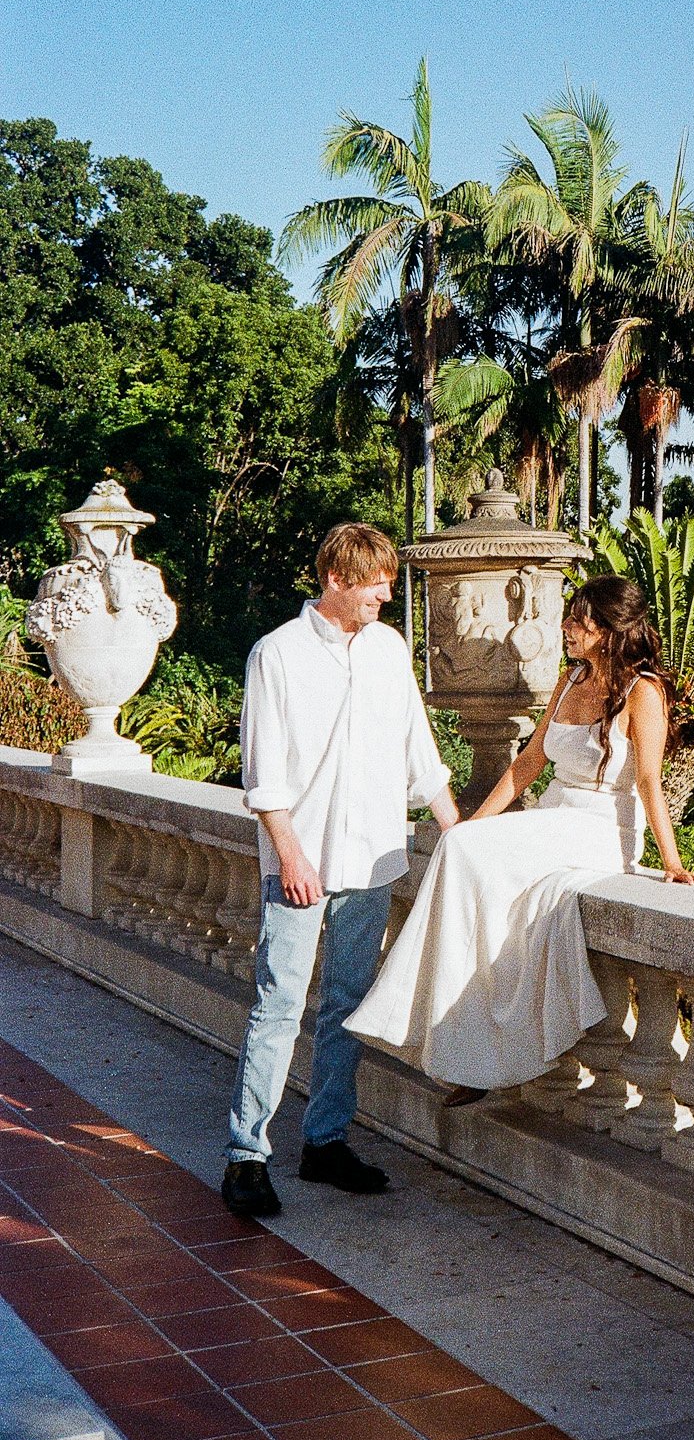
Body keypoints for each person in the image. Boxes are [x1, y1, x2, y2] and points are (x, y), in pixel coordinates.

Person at [345, 575, 694, 1094]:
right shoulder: (569, 679)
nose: (567, 628)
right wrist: (473, 824)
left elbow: (649, 780)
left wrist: (672, 863)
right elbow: (528, 763)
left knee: (465, 849)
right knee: (461, 846)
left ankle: (445, 1027)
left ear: (609, 631)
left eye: (579, 621)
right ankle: (466, 1036)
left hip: (600, 828)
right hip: (554, 816)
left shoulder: (643, 692)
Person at [221, 522, 458, 1218]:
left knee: (348, 1004)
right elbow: (264, 772)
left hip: (374, 858)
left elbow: (418, 749)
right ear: (335, 580)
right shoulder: (277, 654)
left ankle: (325, 1142)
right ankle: (246, 1156)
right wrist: (291, 856)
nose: (386, 596)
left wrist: (456, 831)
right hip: (301, 860)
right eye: (375, 585)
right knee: (279, 1005)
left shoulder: (388, 649)